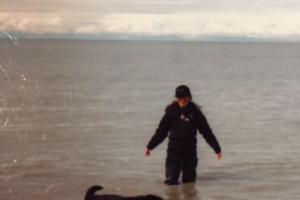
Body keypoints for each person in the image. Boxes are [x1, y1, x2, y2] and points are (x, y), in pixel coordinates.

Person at [145, 85, 222, 185]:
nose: (182, 101)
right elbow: (161, 131)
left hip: (190, 152)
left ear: (189, 97)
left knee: (189, 184)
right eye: (179, 99)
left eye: (184, 99)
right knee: (170, 183)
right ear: (176, 98)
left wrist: (217, 149)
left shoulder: (195, 112)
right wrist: (150, 146)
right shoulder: (171, 111)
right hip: (174, 152)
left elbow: (206, 132)